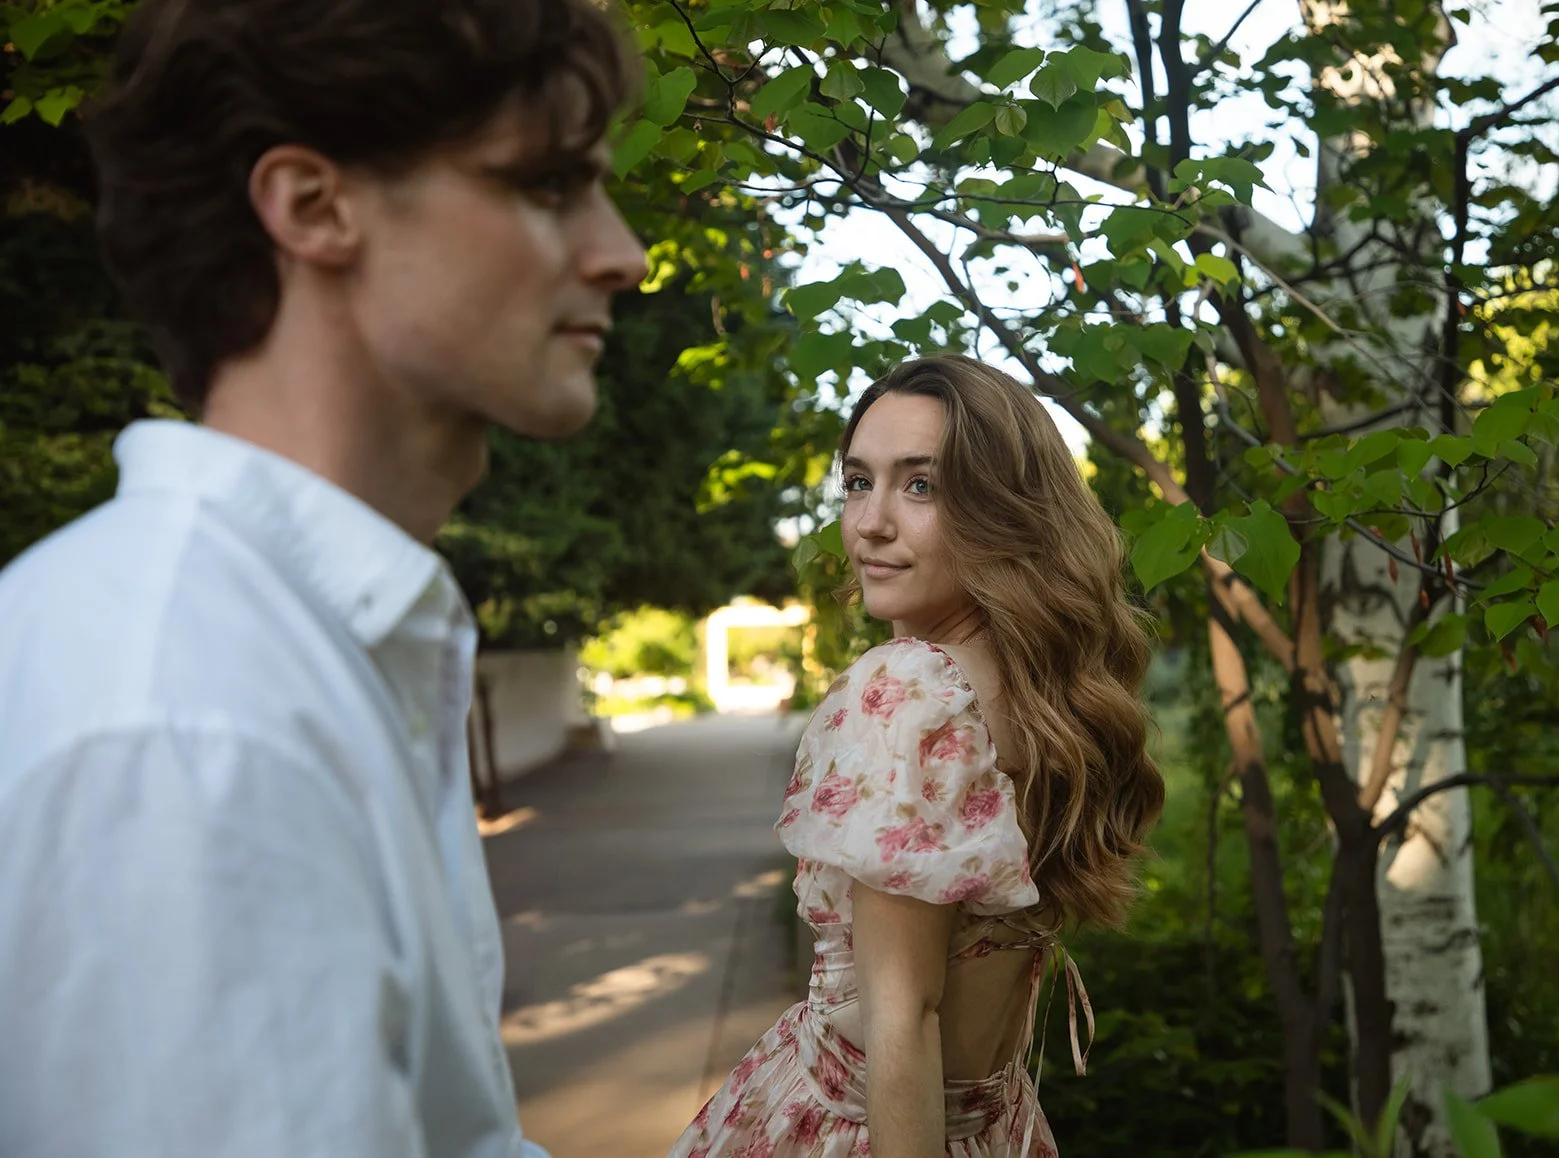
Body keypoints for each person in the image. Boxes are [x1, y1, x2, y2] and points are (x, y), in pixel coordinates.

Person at [0, 0, 648, 1154]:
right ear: (312, 206)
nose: (624, 255)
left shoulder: (287, 641)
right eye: (547, 185)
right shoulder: (192, 722)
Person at [671, 355, 1166, 1157]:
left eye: (920, 486)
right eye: (858, 482)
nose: (870, 524)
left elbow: (905, 1018)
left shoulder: (910, 694)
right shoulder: (1045, 694)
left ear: (1005, 510)